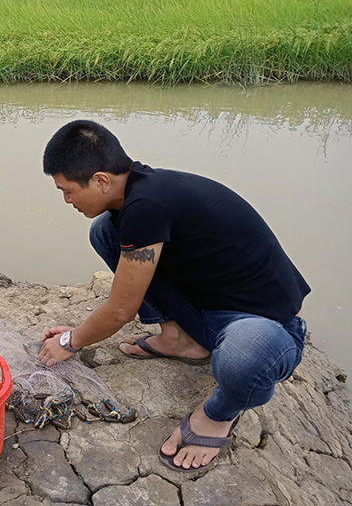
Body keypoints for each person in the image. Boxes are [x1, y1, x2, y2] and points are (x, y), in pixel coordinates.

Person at [39, 120, 309, 472]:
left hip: (264, 323)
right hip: (209, 304)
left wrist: (71, 340)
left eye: (68, 190)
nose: (67, 200)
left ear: (102, 180)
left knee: (245, 355)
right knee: (106, 231)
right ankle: (179, 338)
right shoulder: (139, 192)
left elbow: (121, 309)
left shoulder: (148, 205)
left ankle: (219, 414)